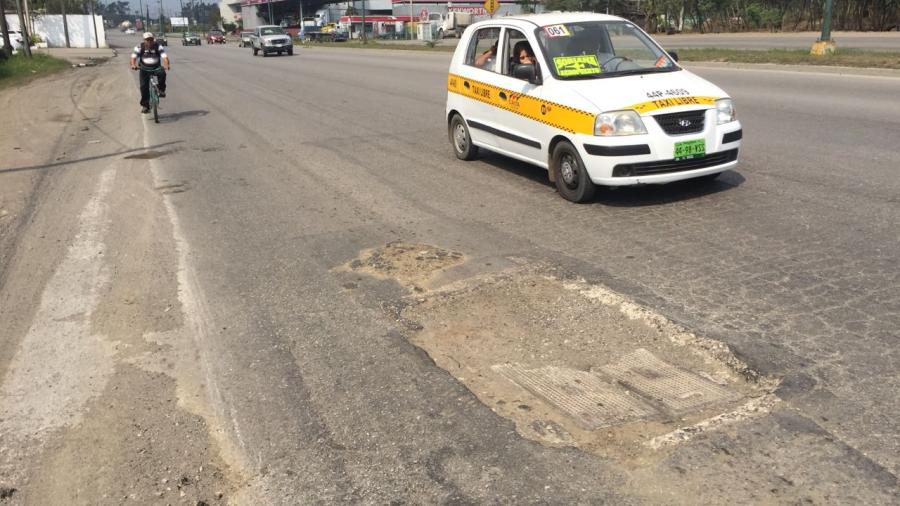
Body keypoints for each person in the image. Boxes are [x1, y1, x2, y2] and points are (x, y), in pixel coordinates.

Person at [130, 32, 170, 114]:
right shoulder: (139, 47)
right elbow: (133, 57)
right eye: (147, 40)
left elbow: (164, 57)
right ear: (144, 40)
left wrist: (167, 65)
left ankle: (161, 90)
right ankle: (145, 106)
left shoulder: (158, 46)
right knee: (143, 87)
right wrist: (133, 65)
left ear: (153, 40)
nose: (149, 42)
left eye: (151, 40)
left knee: (162, 73)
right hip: (144, 69)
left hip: (156, 67)